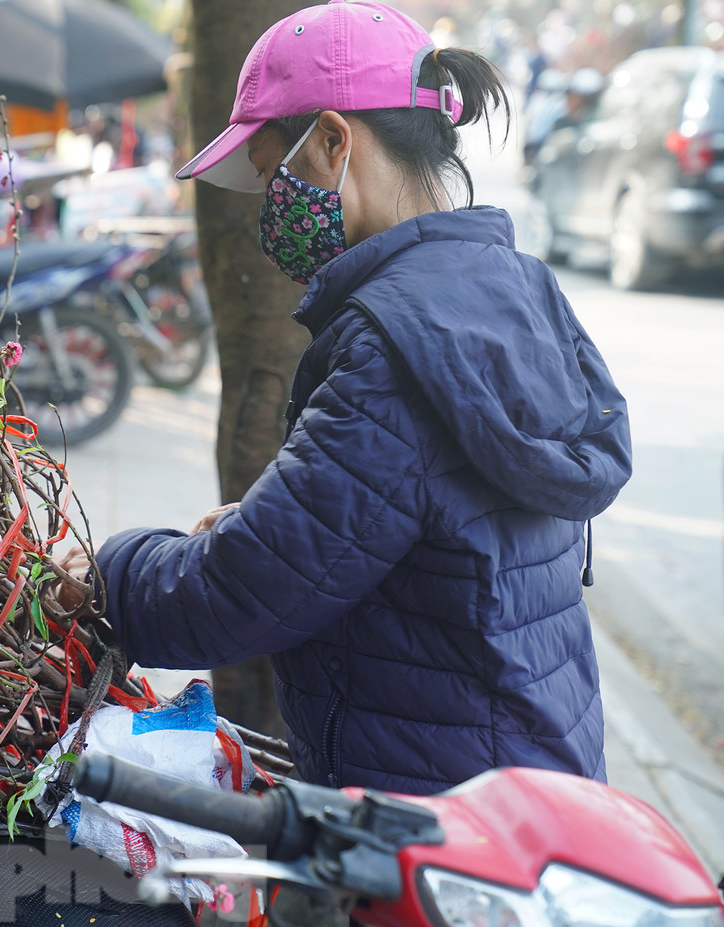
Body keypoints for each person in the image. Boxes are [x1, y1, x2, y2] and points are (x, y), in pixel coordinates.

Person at [56, 0, 631, 797]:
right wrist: (278, 515)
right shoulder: (509, 287)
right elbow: (427, 522)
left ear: (332, 141)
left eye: (269, 176)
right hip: (530, 779)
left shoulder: (393, 345)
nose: (269, 209)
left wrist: (108, 572)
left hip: (441, 820)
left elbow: (240, 592)